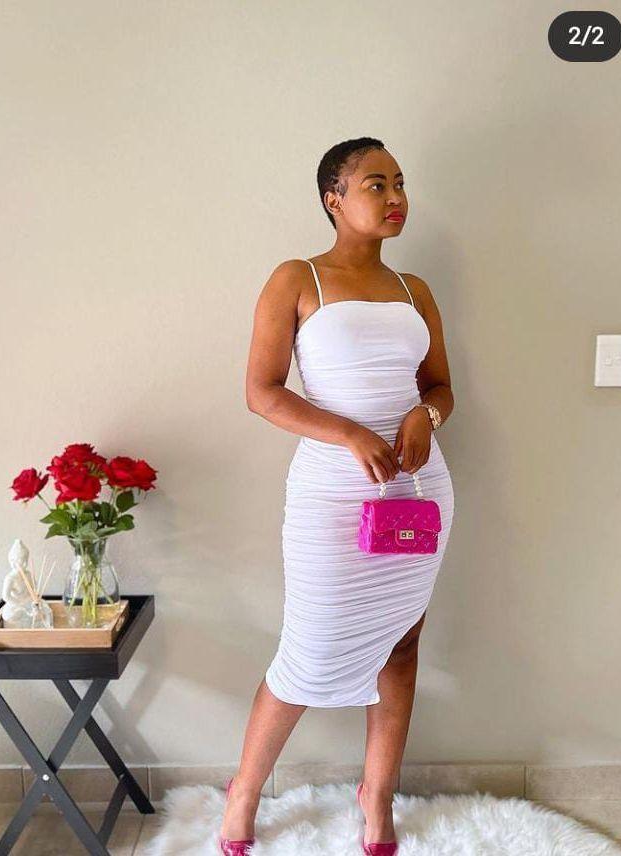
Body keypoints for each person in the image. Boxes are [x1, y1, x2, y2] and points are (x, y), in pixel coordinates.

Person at [220, 137, 456, 856]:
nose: (395, 197)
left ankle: (376, 799)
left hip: (416, 486)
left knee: (402, 646)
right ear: (334, 199)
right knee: (308, 649)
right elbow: (262, 392)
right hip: (332, 494)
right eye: (376, 184)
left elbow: (441, 387)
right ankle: (244, 792)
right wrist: (351, 433)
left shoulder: (416, 290)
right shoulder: (298, 278)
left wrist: (426, 416)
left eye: (400, 183)